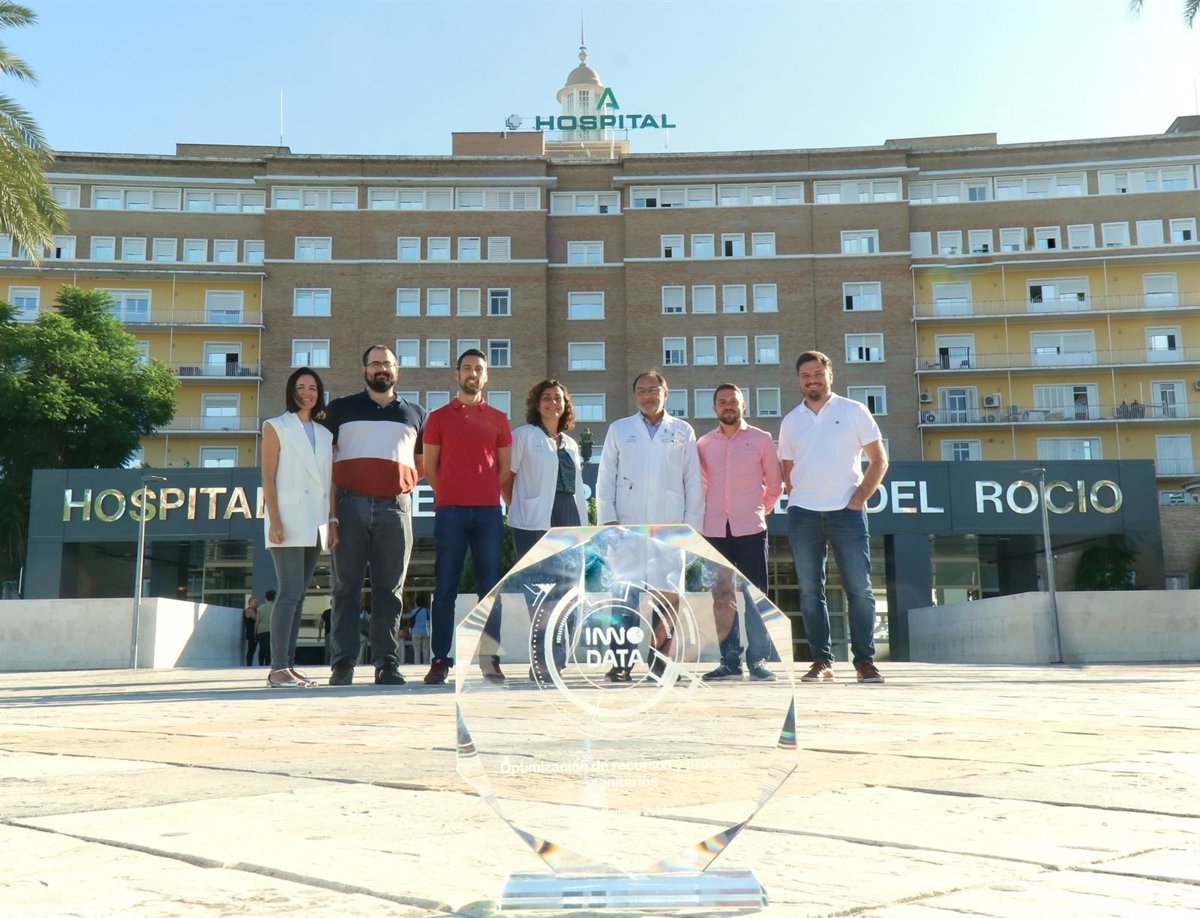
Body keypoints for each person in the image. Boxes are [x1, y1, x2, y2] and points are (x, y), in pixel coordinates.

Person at [779, 351, 889, 685]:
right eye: (805, 375)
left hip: (847, 513)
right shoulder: (791, 421)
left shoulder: (854, 411)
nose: (812, 380)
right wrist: (801, 499)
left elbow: (879, 460)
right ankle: (821, 661)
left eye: (818, 374)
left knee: (860, 589)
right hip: (803, 515)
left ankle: (865, 661)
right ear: (798, 380)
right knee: (810, 591)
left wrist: (858, 499)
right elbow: (787, 471)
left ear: (830, 375)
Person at [322, 345, 427, 686]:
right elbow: (324, 459)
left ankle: (387, 663)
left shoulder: (415, 413)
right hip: (348, 505)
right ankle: (343, 663)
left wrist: (401, 482)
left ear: (397, 370)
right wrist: (331, 515)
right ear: (364, 369)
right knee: (345, 588)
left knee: (390, 590)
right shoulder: (340, 409)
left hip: (396, 507)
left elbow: (423, 462)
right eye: (375, 363)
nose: (382, 368)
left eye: (388, 363)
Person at [595, 370, 703, 681]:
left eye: (653, 390)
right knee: (623, 597)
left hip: (670, 527)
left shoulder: (682, 430)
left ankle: (661, 663)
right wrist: (608, 519)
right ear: (635, 396)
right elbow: (606, 477)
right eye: (641, 390)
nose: (648, 396)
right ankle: (620, 662)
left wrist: (690, 527)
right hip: (626, 527)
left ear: (665, 393)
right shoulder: (619, 429)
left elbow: (692, 480)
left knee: (667, 599)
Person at [422, 349, 513, 685]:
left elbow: (504, 469)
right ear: (457, 374)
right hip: (450, 513)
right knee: (445, 587)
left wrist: (483, 492)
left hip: (488, 513)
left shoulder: (499, 419)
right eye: (467, 368)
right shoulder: (438, 418)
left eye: (479, 369)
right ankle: (440, 660)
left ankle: (490, 659)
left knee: (490, 589)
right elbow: (430, 467)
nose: (473, 374)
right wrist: (449, 493)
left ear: (486, 376)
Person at [501, 379, 589, 679]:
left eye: (558, 398)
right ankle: (542, 659)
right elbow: (506, 477)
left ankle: (558, 658)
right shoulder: (524, 435)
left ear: (566, 405)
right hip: (534, 522)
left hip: (569, 519)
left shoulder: (571, 443)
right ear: (537, 404)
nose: (553, 403)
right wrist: (520, 506)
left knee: (569, 591)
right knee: (540, 593)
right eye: (547, 398)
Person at [696, 384, 784, 683]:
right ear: (714, 408)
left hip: (751, 529)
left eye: (733, 401)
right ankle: (730, 661)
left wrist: (759, 510)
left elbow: (775, 484)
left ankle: (758, 660)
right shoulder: (704, 444)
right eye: (722, 402)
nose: (728, 406)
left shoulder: (761, 439)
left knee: (755, 595)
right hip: (714, 529)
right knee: (721, 596)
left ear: (743, 406)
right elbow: (701, 485)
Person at [261, 367, 335, 688]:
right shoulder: (276, 426)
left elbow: (328, 482)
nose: (308, 393)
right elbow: (268, 477)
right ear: (292, 390)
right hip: (288, 520)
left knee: (300, 596)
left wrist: (331, 520)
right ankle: (277, 668)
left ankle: (289, 666)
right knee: (289, 592)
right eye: (302, 387)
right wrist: (275, 520)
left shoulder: (325, 434)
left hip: (315, 521)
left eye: (313, 388)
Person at [254, 590, 275, 667]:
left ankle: (261, 664)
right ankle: (267, 664)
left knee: (262, 647)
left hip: (261, 630)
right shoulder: (275, 607)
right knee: (269, 648)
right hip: (272, 630)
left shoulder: (260, 607)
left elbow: (257, 621)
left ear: (266, 598)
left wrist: (255, 631)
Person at [409, 595, 430, 665]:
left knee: (416, 651)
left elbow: (411, 622)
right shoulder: (427, 611)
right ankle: (426, 664)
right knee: (425, 650)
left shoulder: (413, 611)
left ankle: (417, 665)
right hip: (425, 632)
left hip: (415, 632)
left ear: (416, 602)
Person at [242, 595, 260, 666]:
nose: (257, 604)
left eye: (257, 602)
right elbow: (257, 618)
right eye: (255, 602)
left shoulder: (256, 611)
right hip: (251, 633)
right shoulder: (248, 611)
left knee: (254, 650)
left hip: (257, 632)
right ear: (250, 603)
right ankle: (249, 665)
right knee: (251, 650)